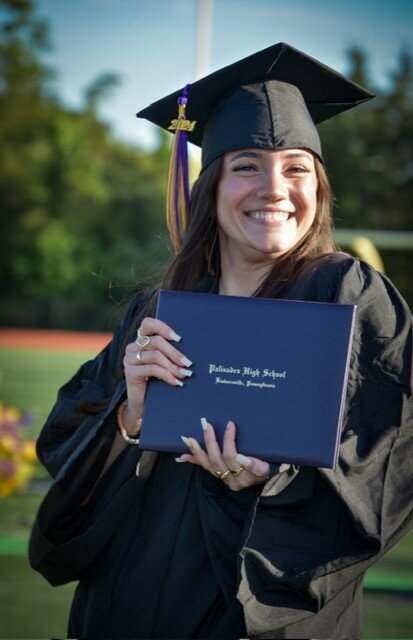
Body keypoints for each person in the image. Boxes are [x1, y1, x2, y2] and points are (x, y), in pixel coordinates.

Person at [29, 43, 412, 639]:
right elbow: (67, 454)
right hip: (125, 602)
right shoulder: (157, 311)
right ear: (209, 185)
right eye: (246, 166)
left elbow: (389, 456)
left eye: (296, 167)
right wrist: (128, 415)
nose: (275, 188)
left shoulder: (348, 294)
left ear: (319, 186)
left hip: (256, 611)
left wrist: (269, 483)